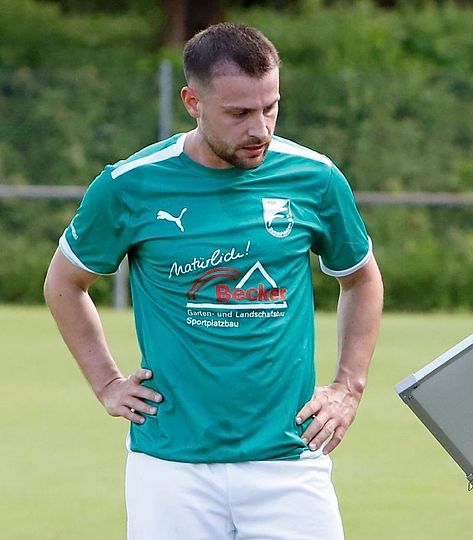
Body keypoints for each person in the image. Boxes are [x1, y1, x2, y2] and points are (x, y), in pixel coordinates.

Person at [43, 23, 383, 540]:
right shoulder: (129, 185)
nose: (261, 128)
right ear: (192, 101)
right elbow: (65, 284)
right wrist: (107, 383)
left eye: (270, 107)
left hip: (289, 460)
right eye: (239, 113)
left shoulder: (315, 177)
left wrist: (347, 387)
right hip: (171, 466)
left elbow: (361, 279)